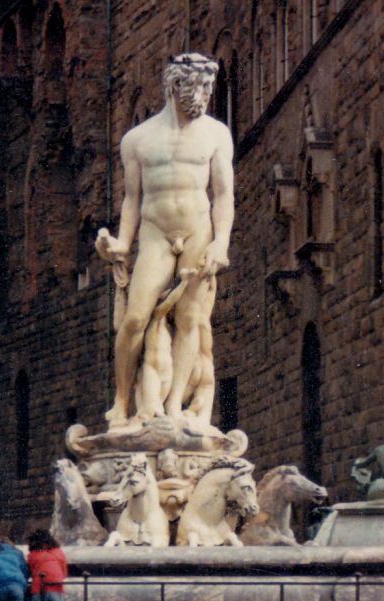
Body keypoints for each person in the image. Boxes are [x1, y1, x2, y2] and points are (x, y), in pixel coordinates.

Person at [96, 52, 234, 428]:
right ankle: (122, 402)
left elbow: (223, 195)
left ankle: (173, 406)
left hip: (197, 231)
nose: (205, 96)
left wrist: (220, 241)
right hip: (156, 234)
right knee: (135, 318)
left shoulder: (216, 134)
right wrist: (123, 242)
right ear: (175, 86)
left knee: (191, 318)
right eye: (199, 87)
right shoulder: (138, 140)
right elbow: (132, 199)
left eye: (209, 88)